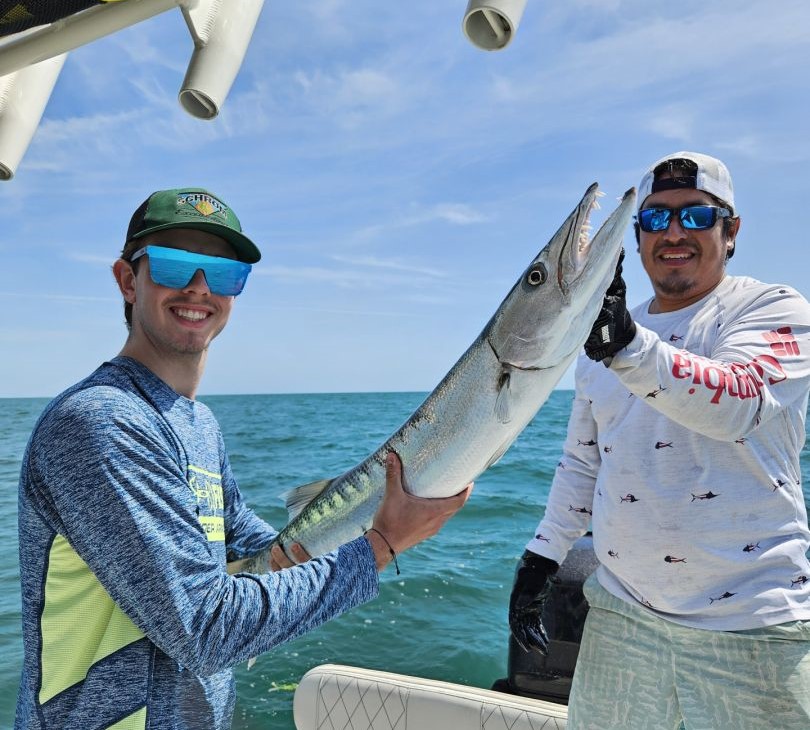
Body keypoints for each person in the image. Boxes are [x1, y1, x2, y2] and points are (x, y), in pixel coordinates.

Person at [15, 188, 471, 729]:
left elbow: (261, 550)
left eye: (224, 274)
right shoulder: (101, 422)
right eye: (174, 264)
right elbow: (204, 630)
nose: (199, 288)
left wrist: (382, 509)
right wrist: (381, 544)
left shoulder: (197, 423)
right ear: (126, 280)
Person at [509, 152, 810, 729]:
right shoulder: (604, 336)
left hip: (752, 624)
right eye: (655, 218)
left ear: (732, 231)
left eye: (696, 216)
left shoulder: (771, 309)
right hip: (623, 615)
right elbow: (583, 461)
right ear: (638, 235)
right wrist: (542, 556)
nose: (674, 232)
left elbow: (739, 400)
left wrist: (627, 345)